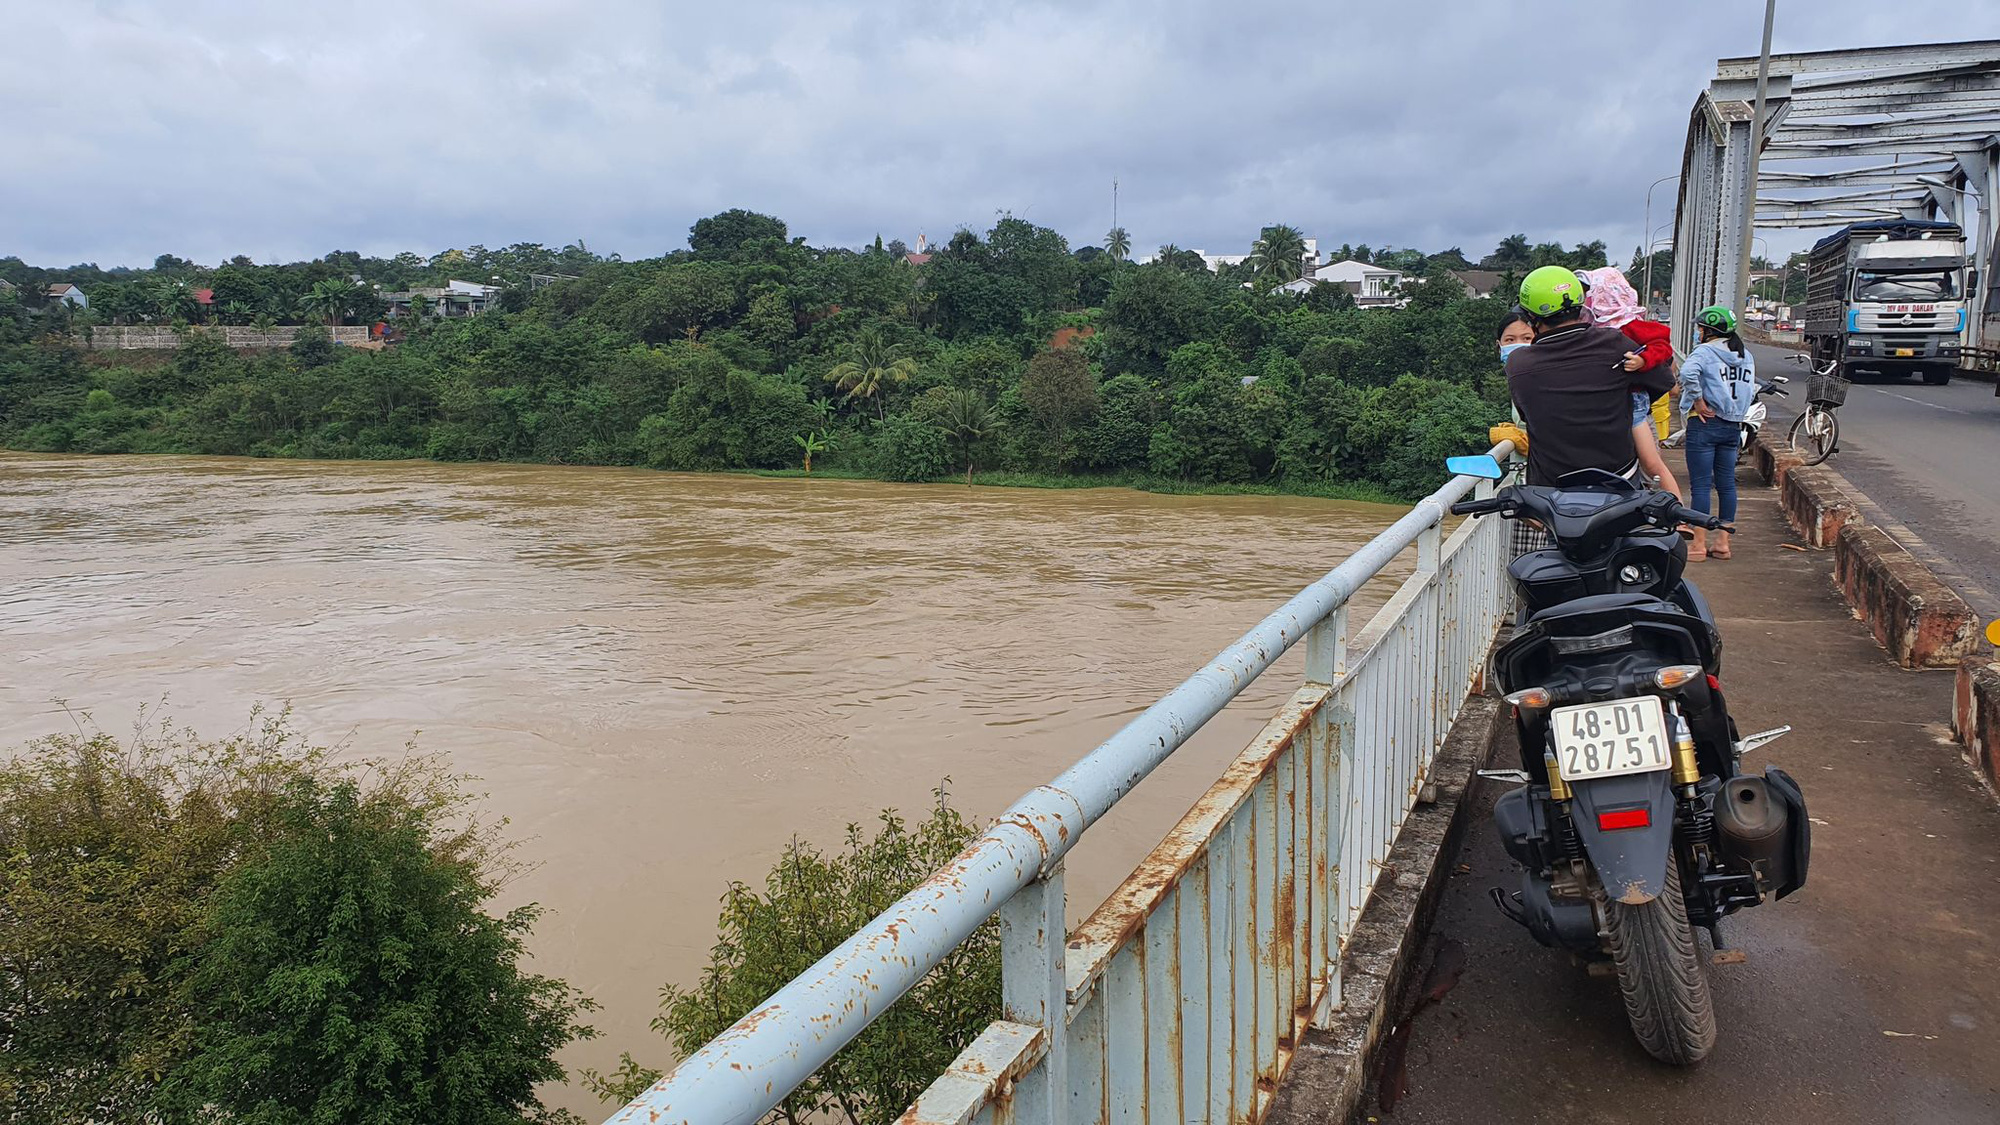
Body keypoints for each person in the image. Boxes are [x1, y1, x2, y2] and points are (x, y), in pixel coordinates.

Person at [1505, 266, 1675, 487]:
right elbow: (1663, 380)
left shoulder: (1519, 364)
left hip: (1553, 488)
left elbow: (1526, 414)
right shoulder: (1616, 344)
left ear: (1530, 317)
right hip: (1618, 480)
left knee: (1533, 518)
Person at [1578, 267, 1682, 501]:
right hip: (1606, 401)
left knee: (1651, 462)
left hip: (1632, 402)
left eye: (1589, 292)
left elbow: (1662, 344)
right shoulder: (1592, 327)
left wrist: (1643, 359)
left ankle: (1680, 512)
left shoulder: (1629, 324)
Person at [1678, 305, 1757, 560]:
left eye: (1700, 329)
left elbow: (1687, 373)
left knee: (1701, 486)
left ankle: (1699, 545)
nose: (1697, 333)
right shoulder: (1745, 355)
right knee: (1726, 485)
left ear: (1709, 330)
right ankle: (1723, 544)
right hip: (1733, 425)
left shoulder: (1705, 351)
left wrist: (1698, 401)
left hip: (1705, 423)